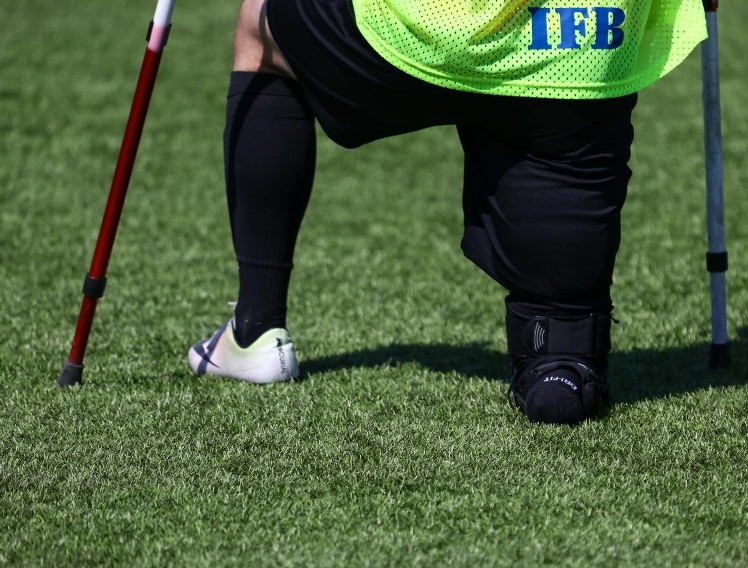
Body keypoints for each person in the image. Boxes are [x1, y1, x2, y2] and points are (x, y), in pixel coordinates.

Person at [188, 0, 707, 424]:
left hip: (433, 30)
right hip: (581, 41)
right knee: (563, 372)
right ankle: (560, 360)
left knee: (262, 26)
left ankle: (255, 331)